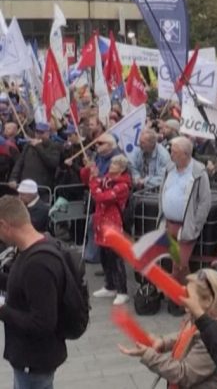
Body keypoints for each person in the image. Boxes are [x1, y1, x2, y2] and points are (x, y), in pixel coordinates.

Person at [119, 269, 217, 388]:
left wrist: (148, 355)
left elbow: (184, 374)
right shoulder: (204, 317)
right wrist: (164, 342)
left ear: (208, 301)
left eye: (188, 296)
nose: (184, 302)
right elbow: (188, 335)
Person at [0, 195, 67, 389]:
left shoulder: (38, 264)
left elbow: (42, 323)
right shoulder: (36, 246)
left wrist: (2, 310)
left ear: (4, 225)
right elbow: (23, 285)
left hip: (34, 361)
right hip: (30, 358)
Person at [159, 136, 211, 291]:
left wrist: (195, 224)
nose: (171, 154)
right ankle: (185, 294)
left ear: (185, 154)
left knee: (180, 264)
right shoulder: (169, 168)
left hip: (186, 225)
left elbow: (205, 202)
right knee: (175, 263)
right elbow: (162, 191)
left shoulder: (199, 172)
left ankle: (183, 294)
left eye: (174, 152)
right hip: (169, 223)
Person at [83, 154, 131, 305]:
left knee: (115, 258)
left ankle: (122, 291)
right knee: (104, 256)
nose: (111, 166)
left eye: (115, 164)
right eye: (111, 163)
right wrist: (90, 171)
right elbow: (88, 180)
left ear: (121, 169)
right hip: (101, 222)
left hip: (113, 224)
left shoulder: (122, 186)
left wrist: (94, 184)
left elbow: (102, 197)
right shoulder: (106, 180)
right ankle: (110, 285)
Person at [9, 122, 61, 190]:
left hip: (42, 187)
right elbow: (19, 163)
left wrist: (38, 147)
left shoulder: (54, 146)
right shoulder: (28, 145)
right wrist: (13, 178)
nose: (38, 135)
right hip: (26, 184)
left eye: (41, 133)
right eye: (37, 132)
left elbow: (53, 163)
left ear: (48, 133)